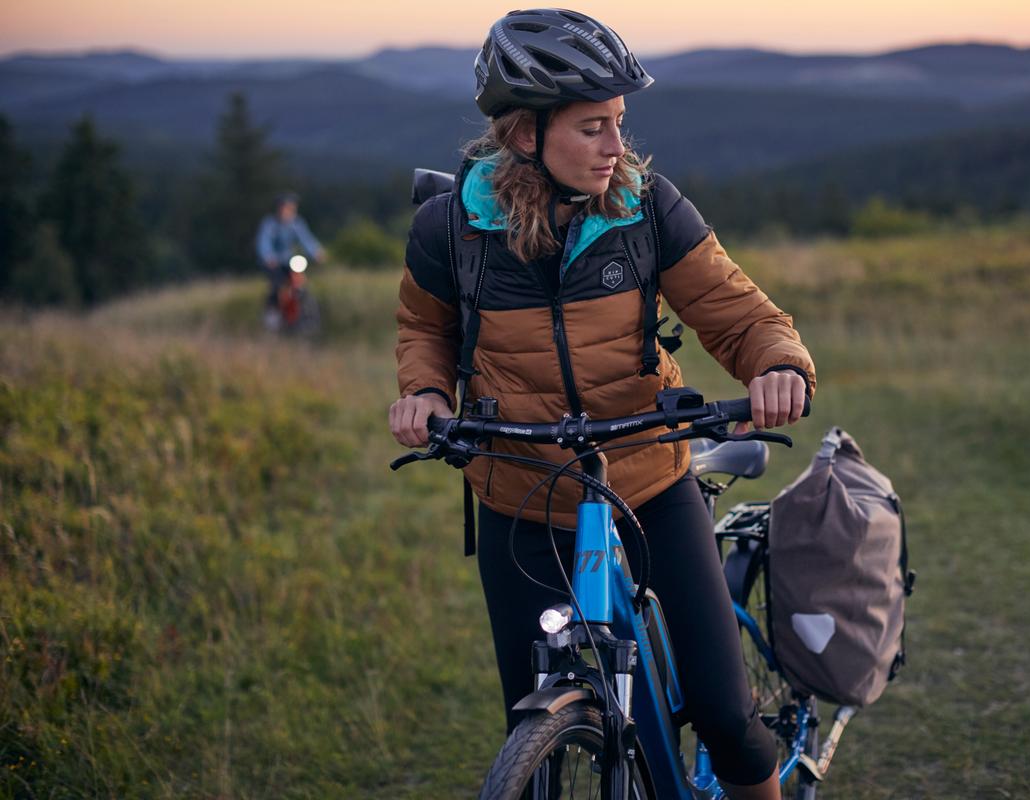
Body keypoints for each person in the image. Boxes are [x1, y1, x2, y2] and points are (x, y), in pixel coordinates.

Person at [389, 9, 814, 799]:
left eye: (618, 123)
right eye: (592, 127)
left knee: (724, 713)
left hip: (648, 478)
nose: (616, 147)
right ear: (525, 136)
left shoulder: (646, 210)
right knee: (531, 719)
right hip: (518, 488)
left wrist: (777, 364)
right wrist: (423, 392)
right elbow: (426, 327)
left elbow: (740, 312)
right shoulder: (450, 230)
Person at [255, 192, 325, 326]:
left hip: (290, 261)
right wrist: (268, 257)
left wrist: (316, 252)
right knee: (277, 286)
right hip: (274, 263)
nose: (288, 211)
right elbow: (263, 242)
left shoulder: (297, 223)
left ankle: (304, 314)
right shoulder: (269, 224)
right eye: (285, 208)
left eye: (291, 208)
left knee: (299, 283)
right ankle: (272, 317)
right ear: (279, 209)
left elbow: (306, 240)